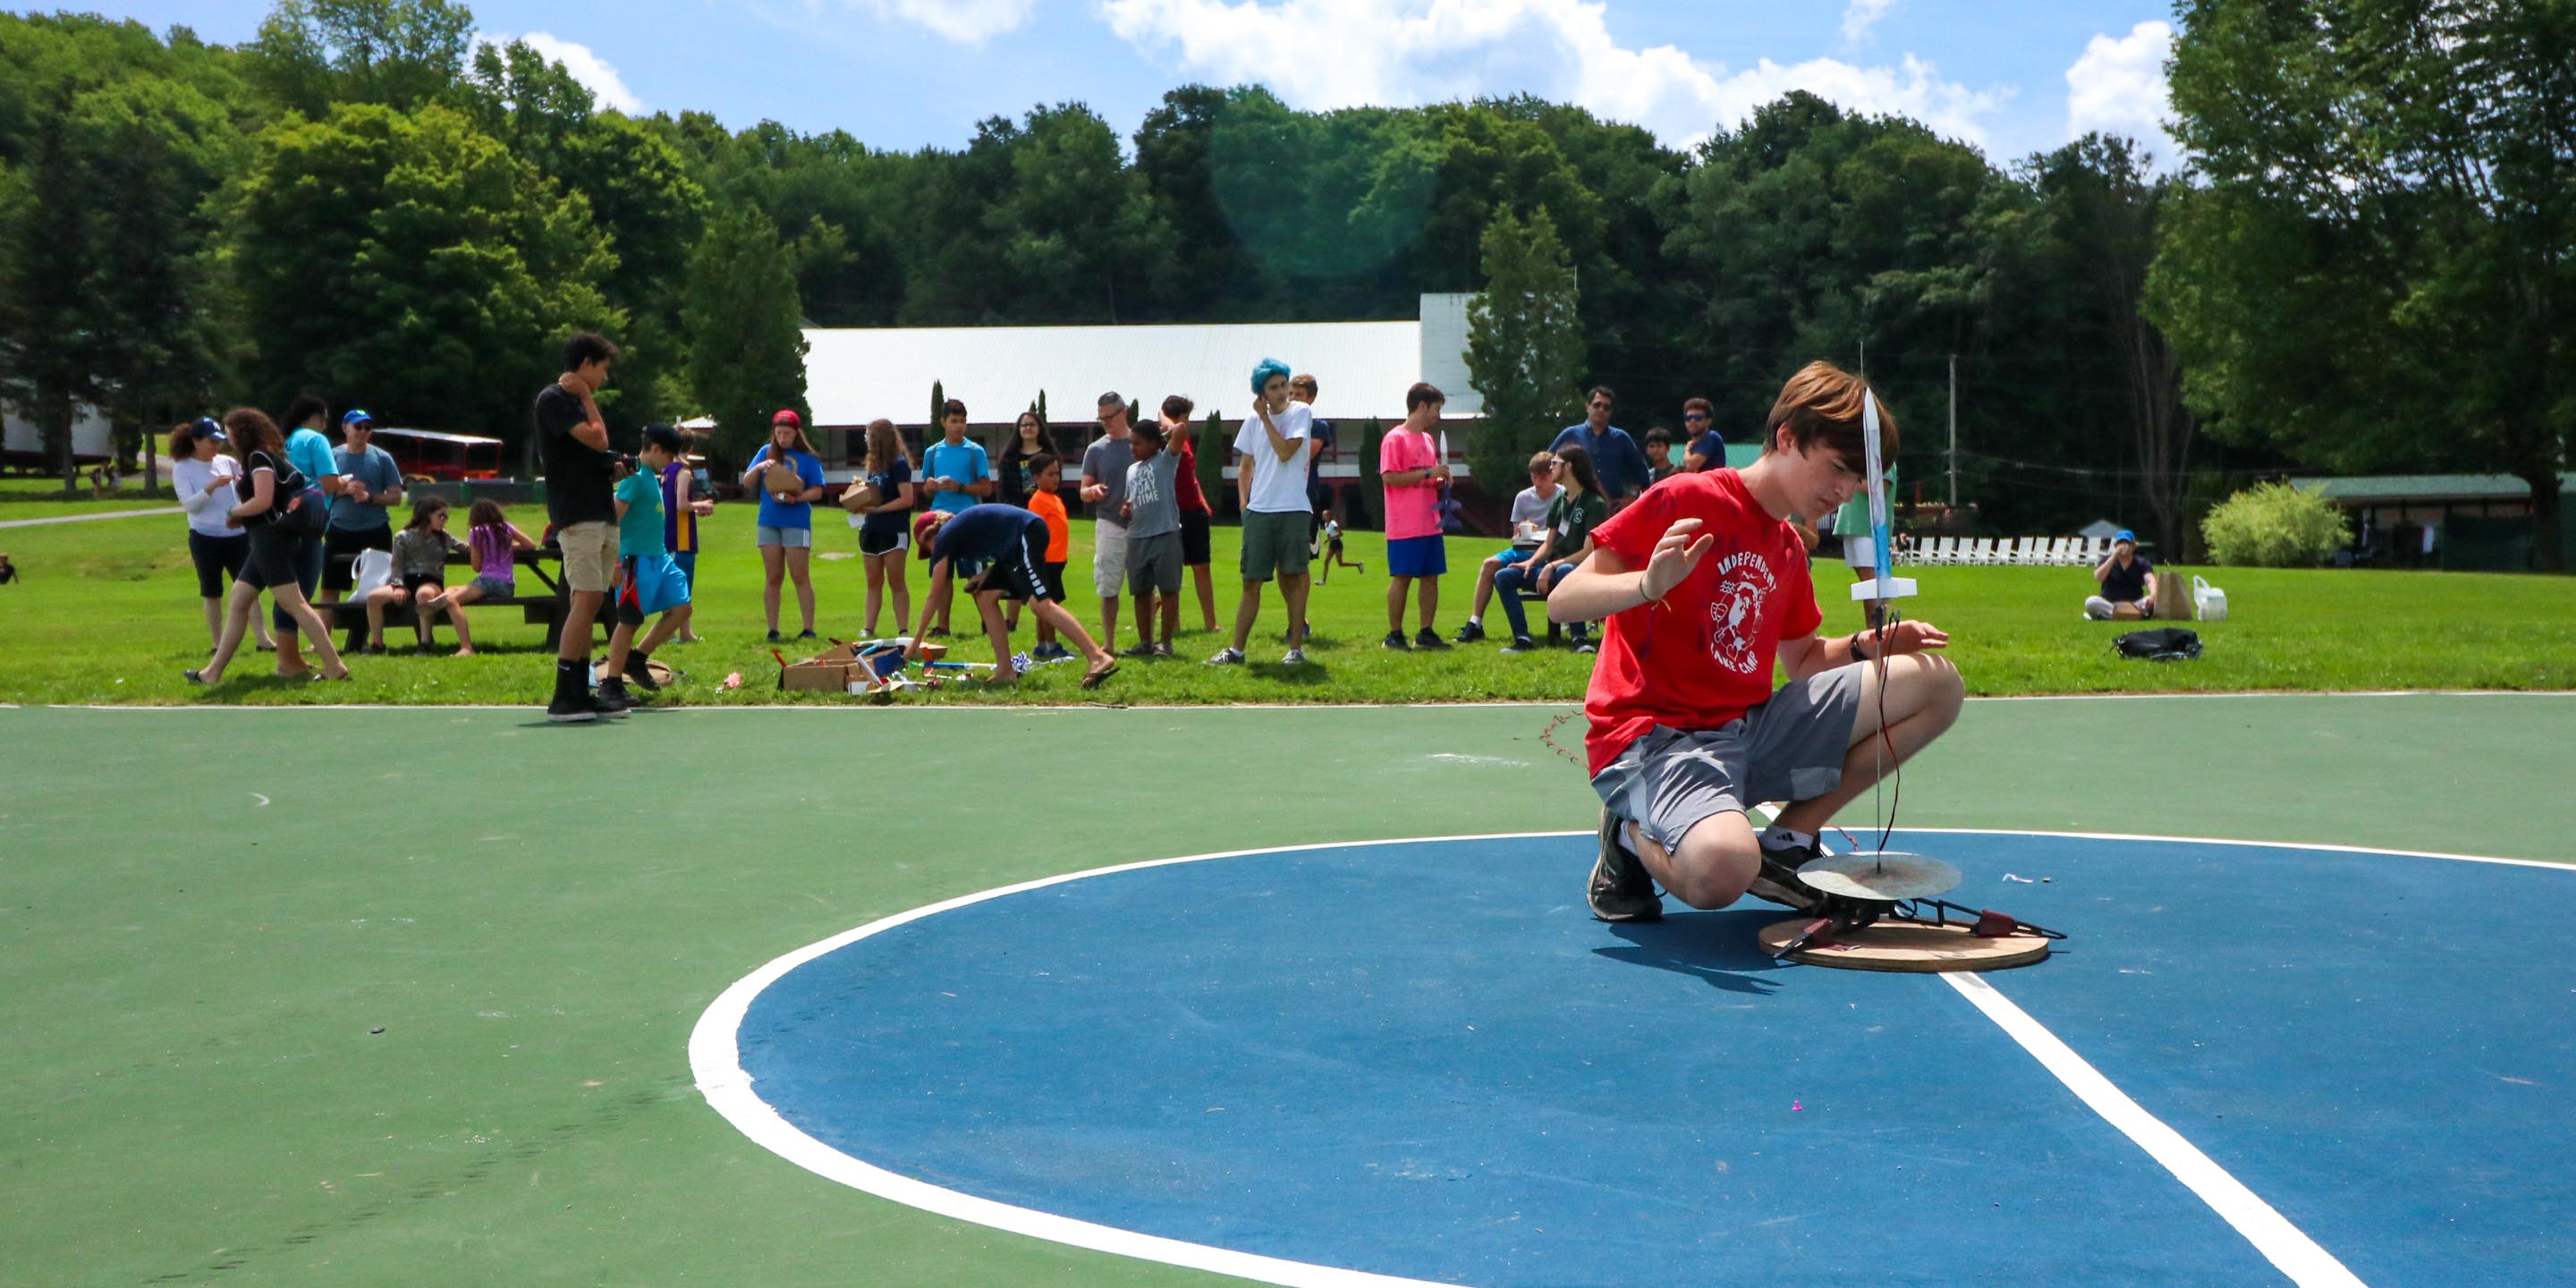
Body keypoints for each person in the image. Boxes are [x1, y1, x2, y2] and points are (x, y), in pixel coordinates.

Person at [1551, 360, 1962, 924]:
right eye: (1839, 469)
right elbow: (1564, 598)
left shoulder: (1789, 548)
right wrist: (1646, 585)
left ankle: (1789, 840)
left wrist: (1870, 645)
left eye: (1859, 481)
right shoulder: (1687, 498)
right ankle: (1628, 835)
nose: (1846, 491)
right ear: (1788, 437)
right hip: (1655, 740)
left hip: (1743, 732)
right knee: (1722, 869)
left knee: (1937, 685)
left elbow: (1805, 662)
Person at [184, 407, 352, 686]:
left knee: (295, 603)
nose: (229, 439)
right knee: (239, 600)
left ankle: (335, 665)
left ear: (242, 432)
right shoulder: (269, 455)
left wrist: (235, 512)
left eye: (230, 433)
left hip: (270, 541)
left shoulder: (258, 456)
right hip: (265, 538)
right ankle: (212, 672)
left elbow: (263, 500)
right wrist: (244, 516)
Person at [909, 503, 1118, 689]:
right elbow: (1000, 539)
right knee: (985, 596)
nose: (933, 556)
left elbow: (934, 594)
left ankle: (1097, 656)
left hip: (1028, 532)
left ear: (930, 535)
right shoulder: (958, 533)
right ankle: (1005, 671)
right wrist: (986, 575)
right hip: (1016, 544)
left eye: (928, 550)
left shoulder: (945, 537)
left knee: (1041, 605)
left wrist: (916, 641)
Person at [536, 332, 625, 722]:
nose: (604, 377)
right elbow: (596, 437)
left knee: (589, 601)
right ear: (586, 364)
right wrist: (587, 399)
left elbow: (595, 449)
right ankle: (564, 696)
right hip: (577, 514)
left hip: (600, 511)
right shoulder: (555, 399)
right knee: (587, 599)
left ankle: (580, 691)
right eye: (602, 368)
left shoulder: (575, 403)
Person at [1209, 360, 1314, 666]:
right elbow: (1245, 466)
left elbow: (1285, 452)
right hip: (1259, 510)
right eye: (1274, 387)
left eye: (1284, 385)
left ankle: (1295, 649)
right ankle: (1237, 651)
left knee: (1293, 578)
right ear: (1262, 393)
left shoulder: (1300, 413)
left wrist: (1265, 419)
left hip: (1293, 507)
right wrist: (1245, 503)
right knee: (1251, 581)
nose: (1282, 392)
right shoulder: (1251, 422)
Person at [604, 426, 696, 703]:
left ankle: (637, 658)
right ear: (656, 449)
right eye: (670, 455)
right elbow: (612, 520)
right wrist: (613, 562)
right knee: (629, 620)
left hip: (660, 558)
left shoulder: (653, 478)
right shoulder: (635, 479)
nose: (673, 461)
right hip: (635, 561)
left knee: (682, 608)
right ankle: (612, 682)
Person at [172, 418, 275, 654]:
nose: (216, 447)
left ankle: (263, 639)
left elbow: (247, 487)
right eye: (211, 441)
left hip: (237, 535)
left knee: (249, 588)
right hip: (204, 536)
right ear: (196, 441)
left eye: (219, 441)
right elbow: (190, 505)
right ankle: (218, 644)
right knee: (212, 591)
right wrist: (211, 487)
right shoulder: (183, 467)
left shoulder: (227, 462)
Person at [1494, 446, 1608, 655]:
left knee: (1566, 572)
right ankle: (1522, 638)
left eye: (1555, 463)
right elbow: (1549, 543)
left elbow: (1587, 552)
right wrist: (1530, 563)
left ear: (1569, 466)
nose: (1551, 466)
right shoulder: (1560, 500)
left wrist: (1552, 567)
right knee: (1504, 576)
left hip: (1580, 570)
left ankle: (1579, 638)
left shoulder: (1594, 503)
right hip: (1553, 568)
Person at [270, 394, 348, 678]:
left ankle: (289, 657)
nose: (326, 424)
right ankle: (288, 661)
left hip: (284, 521)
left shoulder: (288, 441)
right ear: (316, 416)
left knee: (286, 593)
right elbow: (328, 482)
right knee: (299, 594)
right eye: (325, 418)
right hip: (309, 521)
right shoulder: (316, 440)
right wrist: (345, 484)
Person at [1452, 450, 1558, 643]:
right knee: (1489, 564)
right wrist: (1527, 532)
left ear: (1552, 475)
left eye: (1542, 477)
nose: (1537, 483)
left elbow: (1562, 538)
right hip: (1523, 550)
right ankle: (1475, 622)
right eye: (1534, 477)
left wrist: (1538, 536)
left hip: (1551, 553)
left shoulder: (1563, 496)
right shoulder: (1524, 498)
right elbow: (1516, 538)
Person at [1378, 381, 1452, 650]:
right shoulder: (1394, 438)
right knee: (1403, 577)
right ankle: (1395, 634)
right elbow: (1389, 478)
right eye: (1436, 409)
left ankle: (1426, 631)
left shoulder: (1428, 439)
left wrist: (1439, 481)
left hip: (1430, 523)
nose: (1437, 416)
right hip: (1404, 525)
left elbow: (1428, 476)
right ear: (1422, 406)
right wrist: (1426, 474)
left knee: (1431, 576)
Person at [741, 409, 825, 641]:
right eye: (779, 433)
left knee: (800, 575)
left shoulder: (808, 458)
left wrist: (796, 498)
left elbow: (817, 491)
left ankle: (808, 628)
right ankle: (772, 629)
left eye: (787, 433)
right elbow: (747, 482)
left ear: (796, 433)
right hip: (768, 520)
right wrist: (759, 468)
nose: (783, 438)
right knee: (773, 576)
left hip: (796, 522)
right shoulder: (765, 452)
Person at [918, 399, 991, 637]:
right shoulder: (933, 452)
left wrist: (959, 487)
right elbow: (926, 489)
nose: (958, 426)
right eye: (954, 421)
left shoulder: (974, 451)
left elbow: (986, 488)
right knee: (943, 573)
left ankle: (989, 620)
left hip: (967, 516)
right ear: (943, 422)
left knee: (973, 571)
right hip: (939, 519)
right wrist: (930, 487)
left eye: (962, 422)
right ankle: (943, 626)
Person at [320, 409, 402, 613]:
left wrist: (370, 497)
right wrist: (343, 490)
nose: (363, 431)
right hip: (340, 529)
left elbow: (396, 497)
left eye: (367, 427)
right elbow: (320, 493)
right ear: (345, 428)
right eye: (358, 426)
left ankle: (372, 638)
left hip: (376, 529)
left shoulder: (382, 458)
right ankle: (322, 640)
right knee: (331, 588)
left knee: (376, 587)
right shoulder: (332, 457)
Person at [366, 496, 466, 653]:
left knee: (424, 594)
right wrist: (398, 586)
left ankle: (425, 643)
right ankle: (377, 644)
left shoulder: (443, 537)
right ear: (427, 515)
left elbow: (464, 548)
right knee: (373, 597)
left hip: (431, 580)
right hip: (406, 581)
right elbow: (397, 565)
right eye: (441, 516)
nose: (444, 520)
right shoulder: (403, 537)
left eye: (446, 517)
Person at [1080, 393, 1139, 655]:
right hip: (1109, 523)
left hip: (1141, 523)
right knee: (1108, 586)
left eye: (1109, 417)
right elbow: (1082, 489)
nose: (1105, 423)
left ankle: (1147, 641)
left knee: (1146, 586)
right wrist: (1091, 491)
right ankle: (1110, 643)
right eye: (1101, 418)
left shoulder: (1141, 443)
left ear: (1123, 412)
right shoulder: (1095, 449)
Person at [1118, 418, 1182, 658]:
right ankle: (1145, 642)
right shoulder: (1131, 470)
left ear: (1154, 444)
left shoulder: (1165, 461)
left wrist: (1164, 430)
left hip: (1165, 533)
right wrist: (1125, 510)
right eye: (1131, 443)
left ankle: (1165, 643)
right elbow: (1129, 501)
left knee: (1168, 590)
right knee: (1141, 592)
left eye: (1138, 443)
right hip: (1137, 536)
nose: (1133, 448)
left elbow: (1181, 432)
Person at [848, 419, 917, 640]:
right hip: (871, 529)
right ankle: (868, 627)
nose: (867, 440)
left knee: (896, 580)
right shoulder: (873, 465)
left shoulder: (899, 464)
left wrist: (878, 509)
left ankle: (903, 629)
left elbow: (907, 499)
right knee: (873, 581)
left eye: (869, 436)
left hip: (893, 528)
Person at [443, 498, 534, 656]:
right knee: (451, 590)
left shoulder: (476, 532)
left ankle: (466, 647)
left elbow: (476, 566)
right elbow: (530, 545)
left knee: (452, 600)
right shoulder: (506, 528)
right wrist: (508, 548)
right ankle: (441, 601)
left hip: (488, 581)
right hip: (507, 585)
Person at [1162, 394, 1220, 631]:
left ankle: (1211, 623)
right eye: (1186, 417)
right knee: (1173, 572)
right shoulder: (1167, 437)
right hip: (1174, 512)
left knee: (1202, 567)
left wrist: (1203, 502)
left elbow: (1190, 476)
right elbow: (1170, 427)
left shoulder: (1184, 439)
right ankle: (1173, 625)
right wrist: (1163, 414)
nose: (1189, 422)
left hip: (1194, 511)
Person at [1549, 386, 1650, 510]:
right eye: (1597, 405)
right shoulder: (1570, 435)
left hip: (1612, 509)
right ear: (1587, 407)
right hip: (1576, 507)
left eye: (1606, 407)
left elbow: (1641, 471)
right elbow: (1547, 464)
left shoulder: (1621, 438)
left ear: (1610, 412)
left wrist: (1632, 496)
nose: (1601, 409)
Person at [661, 428, 711, 641]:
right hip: (681, 537)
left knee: (669, 584)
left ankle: (670, 632)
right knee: (683, 586)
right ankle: (683, 632)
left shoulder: (666, 470)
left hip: (666, 535)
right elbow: (682, 504)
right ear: (691, 448)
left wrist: (694, 508)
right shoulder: (683, 471)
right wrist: (701, 504)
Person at [1025, 454, 1072, 659]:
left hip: (1057, 560)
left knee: (1046, 602)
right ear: (1036, 477)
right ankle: (1051, 646)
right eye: (1050, 474)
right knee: (1048, 605)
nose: (1056, 478)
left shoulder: (1055, 498)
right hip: (1046, 561)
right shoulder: (1038, 501)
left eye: (1057, 474)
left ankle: (1043, 644)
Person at [1291, 373, 1335, 552]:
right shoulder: (1279, 425)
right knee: (1281, 557)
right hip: (1280, 496)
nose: (1292, 399)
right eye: (1290, 394)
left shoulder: (1318, 427)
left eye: (1299, 395)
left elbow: (1301, 456)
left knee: (1302, 558)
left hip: (1305, 495)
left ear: (1311, 398)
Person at [2086, 530, 2157, 619]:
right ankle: (2128, 616)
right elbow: (2098, 578)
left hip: (2134, 604)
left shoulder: (2142, 562)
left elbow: (2150, 580)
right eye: (2121, 543)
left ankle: (2114, 616)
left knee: (2154, 601)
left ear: (2133, 546)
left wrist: (2153, 594)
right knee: (2091, 602)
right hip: (2110, 603)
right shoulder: (2106, 560)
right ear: (2116, 546)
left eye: (2127, 543)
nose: (2124, 546)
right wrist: (2114, 556)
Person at [995, 410, 1049, 510]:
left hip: (1044, 510)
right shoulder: (1009, 458)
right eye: (1024, 425)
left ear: (1039, 428)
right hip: (1016, 513)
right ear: (1018, 429)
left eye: (1032, 425)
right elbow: (1003, 492)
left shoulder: (1049, 456)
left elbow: (1055, 486)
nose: (1028, 428)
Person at [1315, 514, 1364, 582]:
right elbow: (1330, 534)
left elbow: (1341, 534)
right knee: (1339, 563)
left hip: (1337, 543)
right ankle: (1358, 564)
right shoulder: (1326, 524)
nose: (1323, 516)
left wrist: (1331, 538)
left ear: (1329, 516)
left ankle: (1323, 581)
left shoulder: (1333, 524)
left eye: (1325, 515)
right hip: (1333, 543)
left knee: (1329, 562)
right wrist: (1327, 539)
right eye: (1323, 515)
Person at [1681, 397, 1724, 471]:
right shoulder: (1694, 445)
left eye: (1698, 418)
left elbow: (1691, 466)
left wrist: (1686, 450)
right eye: (1688, 417)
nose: (1692, 421)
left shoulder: (1711, 437)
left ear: (1708, 421)